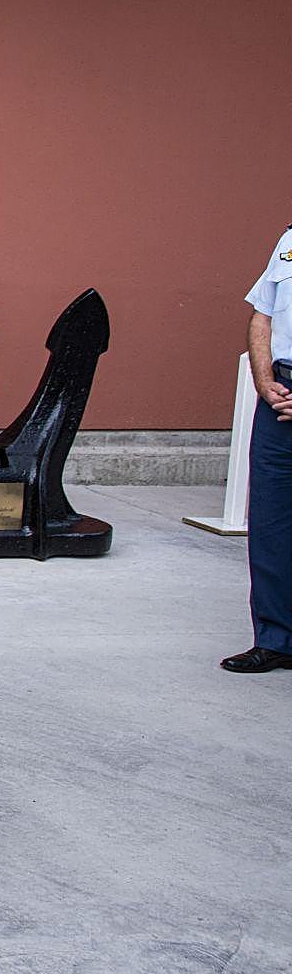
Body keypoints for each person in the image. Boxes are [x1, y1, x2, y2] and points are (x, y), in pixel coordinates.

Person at [219, 222, 292, 673]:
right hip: (280, 396)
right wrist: (265, 382)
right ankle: (276, 637)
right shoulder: (289, 240)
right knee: (272, 527)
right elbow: (262, 315)